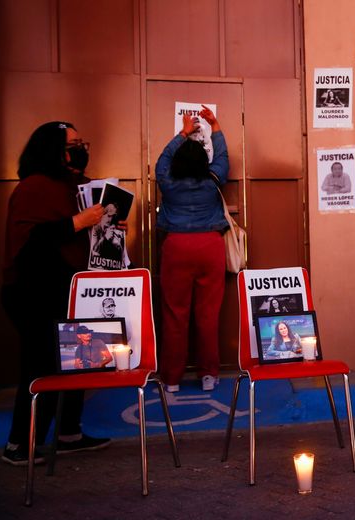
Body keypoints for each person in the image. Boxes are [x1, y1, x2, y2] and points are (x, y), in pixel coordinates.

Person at [1, 121, 112, 465]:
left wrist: (109, 224)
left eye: (82, 142)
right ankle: (20, 444)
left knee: (80, 359)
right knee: (42, 367)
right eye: (73, 144)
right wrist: (78, 223)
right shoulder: (33, 188)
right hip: (33, 293)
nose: (80, 149)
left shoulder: (74, 185)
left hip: (70, 289)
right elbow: (30, 245)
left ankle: (69, 433)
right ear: (52, 149)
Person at [156, 105, 229, 393]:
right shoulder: (212, 181)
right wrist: (215, 125)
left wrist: (183, 133)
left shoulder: (168, 183)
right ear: (203, 163)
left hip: (176, 246)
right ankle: (209, 375)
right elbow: (222, 158)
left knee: (175, 314)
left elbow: (162, 160)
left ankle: (172, 379)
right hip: (210, 246)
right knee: (208, 314)